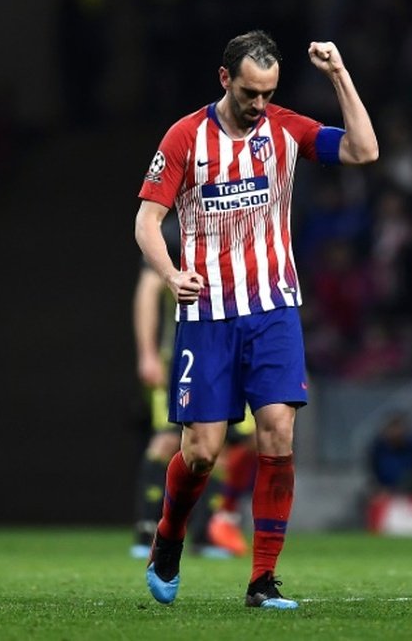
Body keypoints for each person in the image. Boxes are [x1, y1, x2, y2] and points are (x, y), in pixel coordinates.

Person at [135, 30, 378, 609]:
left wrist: (339, 76)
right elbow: (147, 222)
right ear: (225, 80)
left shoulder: (288, 130)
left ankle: (262, 581)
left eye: (268, 92)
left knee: (277, 433)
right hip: (207, 314)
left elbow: (364, 151)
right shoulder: (185, 137)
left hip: (272, 310)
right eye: (250, 92)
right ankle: (169, 536)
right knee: (200, 452)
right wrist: (171, 274)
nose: (259, 104)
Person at [130, 208, 256, 560]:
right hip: (184, 355)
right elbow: (147, 290)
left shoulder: (247, 220)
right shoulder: (174, 231)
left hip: (236, 355)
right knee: (170, 438)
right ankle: (146, 530)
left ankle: (205, 532)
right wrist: (148, 354)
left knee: (230, 445)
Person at [367, 411, 412, 496]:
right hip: (385, 493)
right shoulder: (377, 449)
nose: (396, 432)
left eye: (399, 428)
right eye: (392, 428)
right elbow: (373, 475)